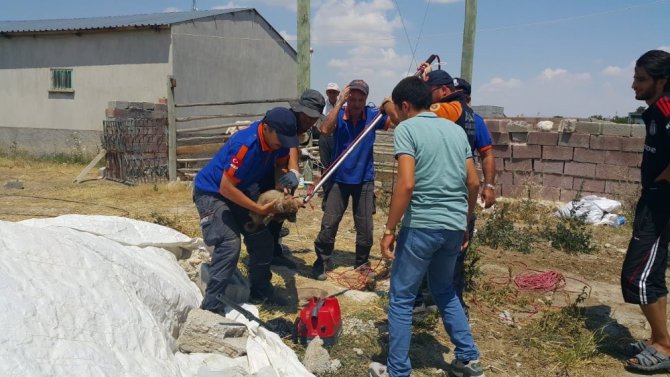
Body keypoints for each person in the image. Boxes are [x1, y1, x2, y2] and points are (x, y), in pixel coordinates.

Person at [376, 76, 483, 377]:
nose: (393, 117)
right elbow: (473, 182)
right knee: (444, 290)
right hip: (453, 225)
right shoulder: (454, 130)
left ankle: (397, 370)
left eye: (395, 111)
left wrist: (389, 230)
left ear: (405, 105)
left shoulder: (407, 129)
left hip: (422, 225)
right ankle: (469, 359)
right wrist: (465, 222)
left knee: (401, 297)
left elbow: (407, 184)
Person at [193, 107, 301, 310]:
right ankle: (211, 307)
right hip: (212, 192)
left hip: (238, 189)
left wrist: (284, 181)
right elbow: (225, 187)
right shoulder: (245, 145)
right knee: (229, 243)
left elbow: (280, 164)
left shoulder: (277, 141)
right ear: (267, 128)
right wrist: (258, 209)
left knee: (263, 240)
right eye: (281, 139)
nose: (283, 145)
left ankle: (260, 289)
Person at [412, 67, 496, 313]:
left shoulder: (463, 118)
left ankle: (445, 302)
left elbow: (487, 153)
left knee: (443, 251)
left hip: (446, 194)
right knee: (447, 248)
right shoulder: (450, 115)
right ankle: (436, 300)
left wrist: (489, 185)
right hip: (455, 196)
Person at [311, 79, 393, 280]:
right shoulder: (338, 114)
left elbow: (395, 121)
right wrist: (339, 103)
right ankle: (322, 260)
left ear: (366, 99)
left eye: (360, 99)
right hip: (339, 178)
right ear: (347, 98)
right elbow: (325, 130)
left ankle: (362, 263)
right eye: (353, 99)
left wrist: (390, 104)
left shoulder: (373, 116)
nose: (356, 103)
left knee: (365, 226)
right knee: (329, 222)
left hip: (364, 179)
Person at [621, 49, 670, 373]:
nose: (633, 85)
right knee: (652, 273)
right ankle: (658, 338)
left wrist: (662, 184)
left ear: (661, 81)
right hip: (654, 198)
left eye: (641, 79)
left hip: (661, 203)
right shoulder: (655, 111)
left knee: (637, 276)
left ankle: (665, 346)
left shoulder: (667, 109)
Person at [266, 89, 326, 270]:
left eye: (313, 117)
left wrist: (292, 172)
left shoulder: (302, 127)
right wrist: (292, 170)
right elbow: (291, 147)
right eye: (307, 115)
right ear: (299, 110)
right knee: (269, 210)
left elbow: (293, 151)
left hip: (281, 168)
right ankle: (264, 254)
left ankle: (274, 250)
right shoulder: (288, 120)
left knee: (281, 211)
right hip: (267, 168)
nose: (309, 120)